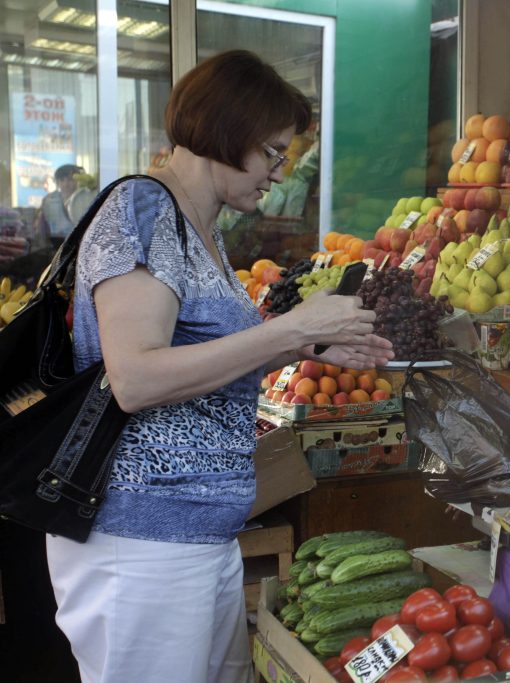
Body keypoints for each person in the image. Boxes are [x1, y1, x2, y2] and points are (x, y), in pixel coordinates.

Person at [45, 50, 394, 683]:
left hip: (201, 535)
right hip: (141, 538)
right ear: (227, 132)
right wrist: (289, 328)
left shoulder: (201, 229)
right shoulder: (143, 210)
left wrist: (301, 349)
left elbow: (204, 368)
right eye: (272, 152)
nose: (277, 172)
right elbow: (136, 378)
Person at [37, 163, 82, 246]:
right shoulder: (48, 200)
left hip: (78, 243)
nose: (66, 184)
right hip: (55, 244)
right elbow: (42, 226)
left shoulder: (84, 199)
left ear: (77, 181)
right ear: (57, 182)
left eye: (70, 180)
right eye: (62, 180)